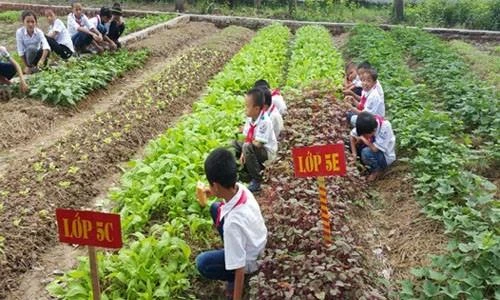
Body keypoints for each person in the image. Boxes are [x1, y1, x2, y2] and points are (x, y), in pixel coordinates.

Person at [196, 148, 267, 300]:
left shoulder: (232, 224)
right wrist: (211, 191)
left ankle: (230, 278)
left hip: (249, 262)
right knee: (216, 208)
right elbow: (224, 197)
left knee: (202, 263)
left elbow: (239, 268)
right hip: (258, 244)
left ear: (216, 185)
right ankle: (231, 251)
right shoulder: (241, 189)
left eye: (210, 185)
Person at [233, 88, 277, 192]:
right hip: (255, 147)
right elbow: (247, 137)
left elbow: (258, 144)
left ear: (256, 109)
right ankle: (241, 170)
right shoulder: (250, 118)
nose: (245, 109)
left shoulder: (264, 121)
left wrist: (245, 149)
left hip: (267, 152)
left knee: (246, 147)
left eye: (247, 106)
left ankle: (257, 179)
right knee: (234, 144)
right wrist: (244, 151)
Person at [349, 112, 396, 182]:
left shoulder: (385, 127)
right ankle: (365, 165)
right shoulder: (366, 125)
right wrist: (354, 155)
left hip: (385, 156)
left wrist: (363, 138)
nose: (364, 136)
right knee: (354, 145)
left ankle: (376, 170)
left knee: (365, 152)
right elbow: (352, 135)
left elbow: (375, 149)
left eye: (365, 135)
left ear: (373, 131)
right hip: (373, 148)